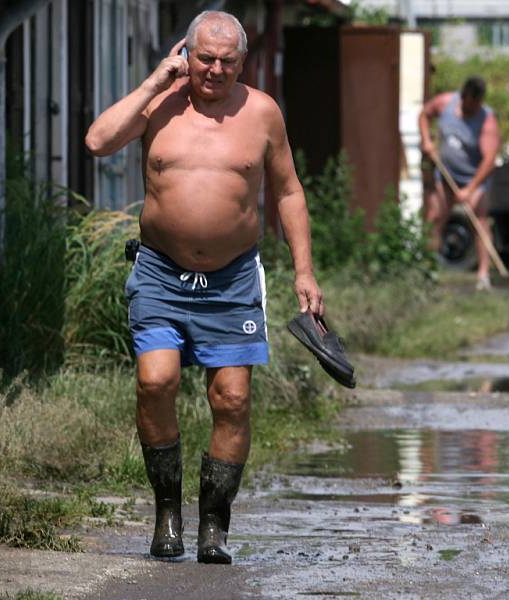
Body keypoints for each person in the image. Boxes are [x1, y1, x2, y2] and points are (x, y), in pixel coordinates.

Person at [85, 10, 323, 564]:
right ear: (185, 54)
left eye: (227, 61)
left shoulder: (262, 112)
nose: (214, 70)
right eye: (204, 58)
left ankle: (213, 525)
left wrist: (304, 270)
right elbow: (98, 141)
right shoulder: (160, 103)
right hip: (161, 272)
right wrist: (153, 81)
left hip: (234, 277)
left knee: (232, 399)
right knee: (156, 380)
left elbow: (288, 192)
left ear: (242, 61)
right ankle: (167, 511)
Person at [418, 76, 500, 290]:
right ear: (464, 97)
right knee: (435, 218)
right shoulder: (445, 103)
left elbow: (490, 161)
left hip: (474, 178)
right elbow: (425, 115)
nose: (475, 107)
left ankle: (483, 275)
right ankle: (427, 271)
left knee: (479, 221)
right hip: (445, 175)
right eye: (473, 103)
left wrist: (470, 189)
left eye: (479, 103)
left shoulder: (487, 121)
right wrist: (426, 140)